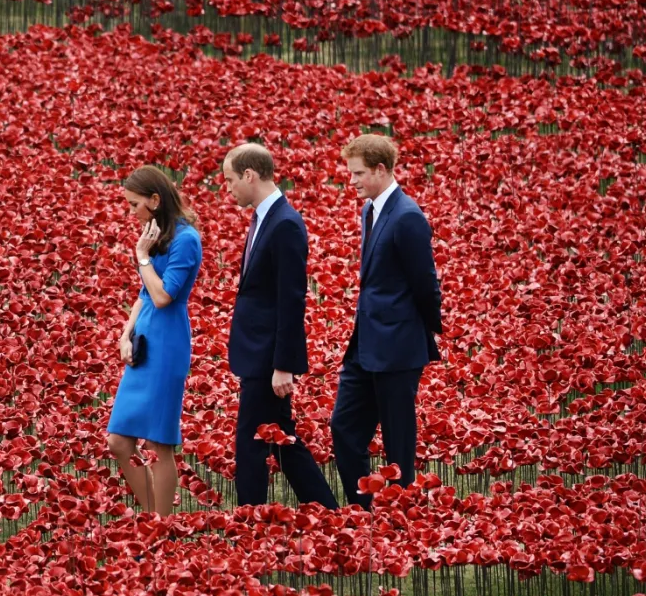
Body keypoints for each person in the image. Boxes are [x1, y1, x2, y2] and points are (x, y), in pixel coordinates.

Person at [222, 144, 338, 509]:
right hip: (257, 350)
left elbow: (292, 299)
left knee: (251, 441)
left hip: (267, 356)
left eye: (230, 181)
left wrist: (283, 364)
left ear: (249, 175)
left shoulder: (285, 223)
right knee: (282, 440)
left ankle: (248, 522)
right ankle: (330, 513)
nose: (228, 190)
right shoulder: (263, 219)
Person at [330, 134, 443, 509]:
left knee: (398, 442)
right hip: (365, 344)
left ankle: (401, 522)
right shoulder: (370, 210)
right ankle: (363, 511)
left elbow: (425, 282)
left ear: (382, 169)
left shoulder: (407, 216)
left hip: (397, 346)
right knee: (344, 428)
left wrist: (422, 330)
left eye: (359, 173)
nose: (353, 181)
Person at [106, 166, 203, 517]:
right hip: (145, 336)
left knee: (160, 444)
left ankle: (161, 526)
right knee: (118, 441)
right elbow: (143, 295)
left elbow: (163, 296)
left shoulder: (185, 239)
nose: (132, 212)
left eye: (135, 205)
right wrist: (125, 335)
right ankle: (155, 519)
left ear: (155, 200)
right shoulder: (155, 234)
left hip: (167, 343)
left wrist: (142, 257)